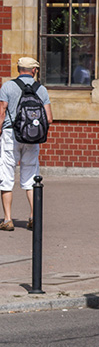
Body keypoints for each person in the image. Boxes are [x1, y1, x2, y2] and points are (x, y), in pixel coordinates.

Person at [0, 57, 53, 231]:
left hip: (10, 135)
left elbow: (2, 111)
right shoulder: (41, 89)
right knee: (31, 176)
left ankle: (7, 219)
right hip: (32, 137)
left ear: (18, 69)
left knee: (6, 175)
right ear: (34, 71)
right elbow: (49, 118)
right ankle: (33, 217)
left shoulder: (7, 86)